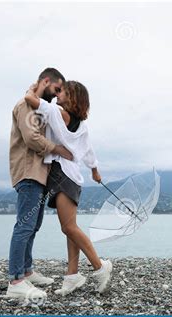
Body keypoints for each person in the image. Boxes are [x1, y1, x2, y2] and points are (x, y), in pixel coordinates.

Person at [24, 80, 113, 296]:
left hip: (62, 175)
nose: (58, 93)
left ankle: (100, 267)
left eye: (62, 91)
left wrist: (34, 87)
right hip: (72, 176)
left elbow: (29, 99)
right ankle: (72, 276)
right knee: (70, 227)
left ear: (71, 97)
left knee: (69, 228)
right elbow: (89, 151)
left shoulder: (57, 112)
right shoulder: (82, 125)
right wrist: (94, 171)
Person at [7, 68, 73, 300]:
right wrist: (59, 150)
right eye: (55, 89)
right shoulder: (25, 106)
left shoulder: (35, 105)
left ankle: (26, 270)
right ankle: (15, 280)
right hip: (28, 173)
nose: (56, 96)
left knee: (33, 226)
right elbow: (31, 138)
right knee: (24, 226)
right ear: (45, 81)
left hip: (39, 175)